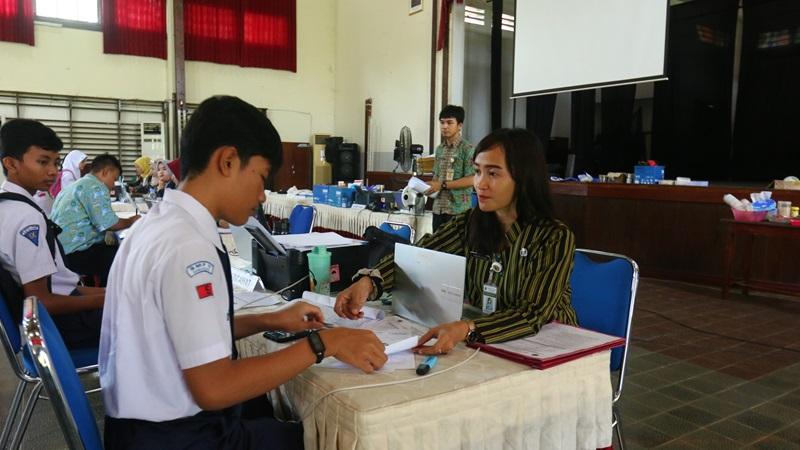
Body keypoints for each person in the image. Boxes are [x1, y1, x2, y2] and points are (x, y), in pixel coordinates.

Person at [99, 95, 387, 449]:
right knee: (334, 438)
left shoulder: (158, 225)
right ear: (228, 161)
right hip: (179, 436)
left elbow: (179, 335)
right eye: (261, 178)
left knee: (271, 413)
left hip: (140, 430)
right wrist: (325, 342)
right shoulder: (188, 249)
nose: (263, 196)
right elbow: (215, 388)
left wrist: (270, 320)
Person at [335, 128, 578, 354]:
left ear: (524, 178)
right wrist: (370, 281)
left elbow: (531, 314)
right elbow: (420, 256)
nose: (480, 184)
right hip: (487, 337)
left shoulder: (553, 237)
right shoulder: (470, 223)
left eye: (493, 173)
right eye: (477, 171)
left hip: (546, 345)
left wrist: (466, 328)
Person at [0, 119, 105, 349]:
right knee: (151, 315)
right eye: (42, 162)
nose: (53, 171)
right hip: (58, 327)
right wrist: (109, 298)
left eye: (56, 162)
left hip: (50, 321)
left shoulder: (6, 207)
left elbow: (61, 286)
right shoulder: (27, 218)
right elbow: (42, 302)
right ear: (11, 163)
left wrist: (111, 292)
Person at [51, 154, 140, 286]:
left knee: (110, 248)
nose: (113, 186)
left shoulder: (80, 183)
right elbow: (110, 223)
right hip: (75, 252)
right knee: (121, 256)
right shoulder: (96, 187)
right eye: (114, 179)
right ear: (105, 172)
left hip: (60, 250)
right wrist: (133, 220)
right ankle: (107, 297)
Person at [426, 105, 475, 232]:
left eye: (449, 122)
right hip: (438, 209)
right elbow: (436, 177)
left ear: (460, 125)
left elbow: (472, 179)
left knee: (455, 250)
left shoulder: (468, 149)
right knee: (436, 248)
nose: (444, 126)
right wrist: (428, 187)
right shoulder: (439, 149)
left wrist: (442, 185)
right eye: (442, 123)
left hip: (458, 211)